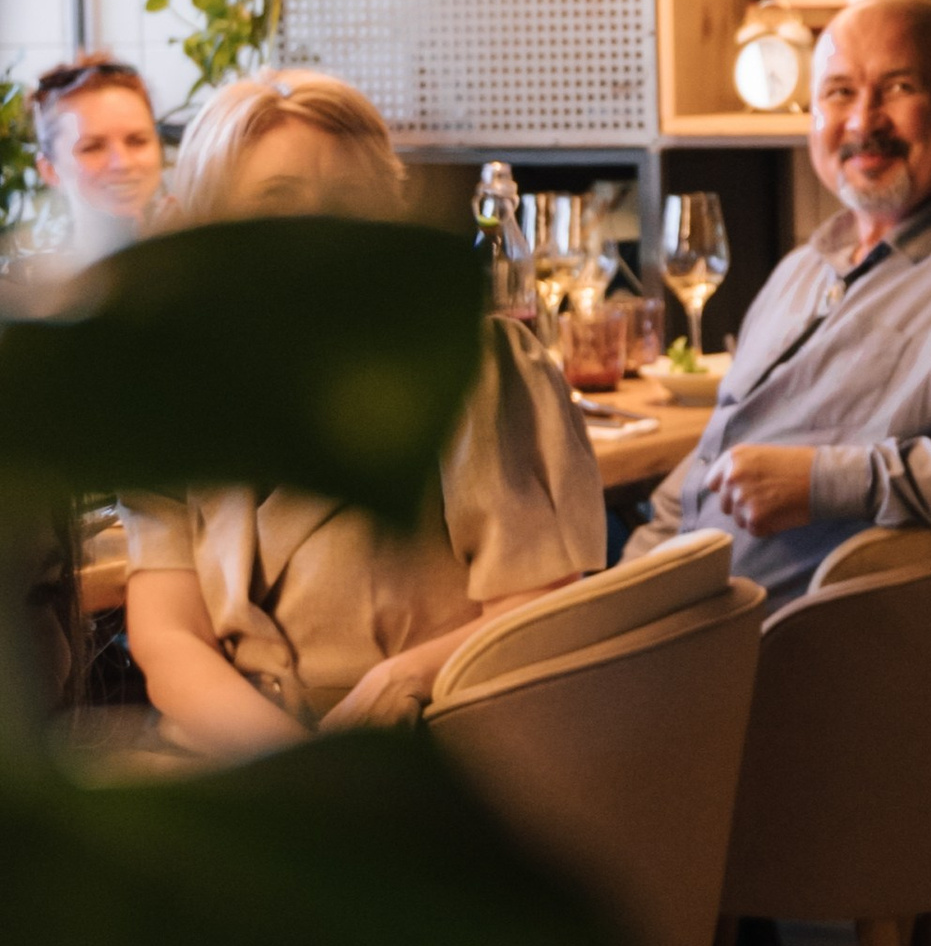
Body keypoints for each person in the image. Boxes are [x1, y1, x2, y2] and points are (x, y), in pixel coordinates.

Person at [123, 71, 606, 754]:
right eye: (276, 203)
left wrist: (400, 678)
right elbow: (167, 638)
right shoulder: (174, 398)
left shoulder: (466, 364)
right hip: (239, 759)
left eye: (348, 204)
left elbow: (543, 610)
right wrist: (294, 769)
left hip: (428, 755)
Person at [629, 0, 931, 598]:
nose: (863, 122)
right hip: (668, 611)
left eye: (897, 87)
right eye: (838, 93)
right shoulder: (801, 270)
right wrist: (626, 584)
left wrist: (829, 481)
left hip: (791, 662)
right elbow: (713, 462)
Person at [31, 53, 164, 261]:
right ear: (49, 171)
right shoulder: (21, 287)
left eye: (137, 141)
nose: (123, 163)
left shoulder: (203, 271)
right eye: (92, 148)